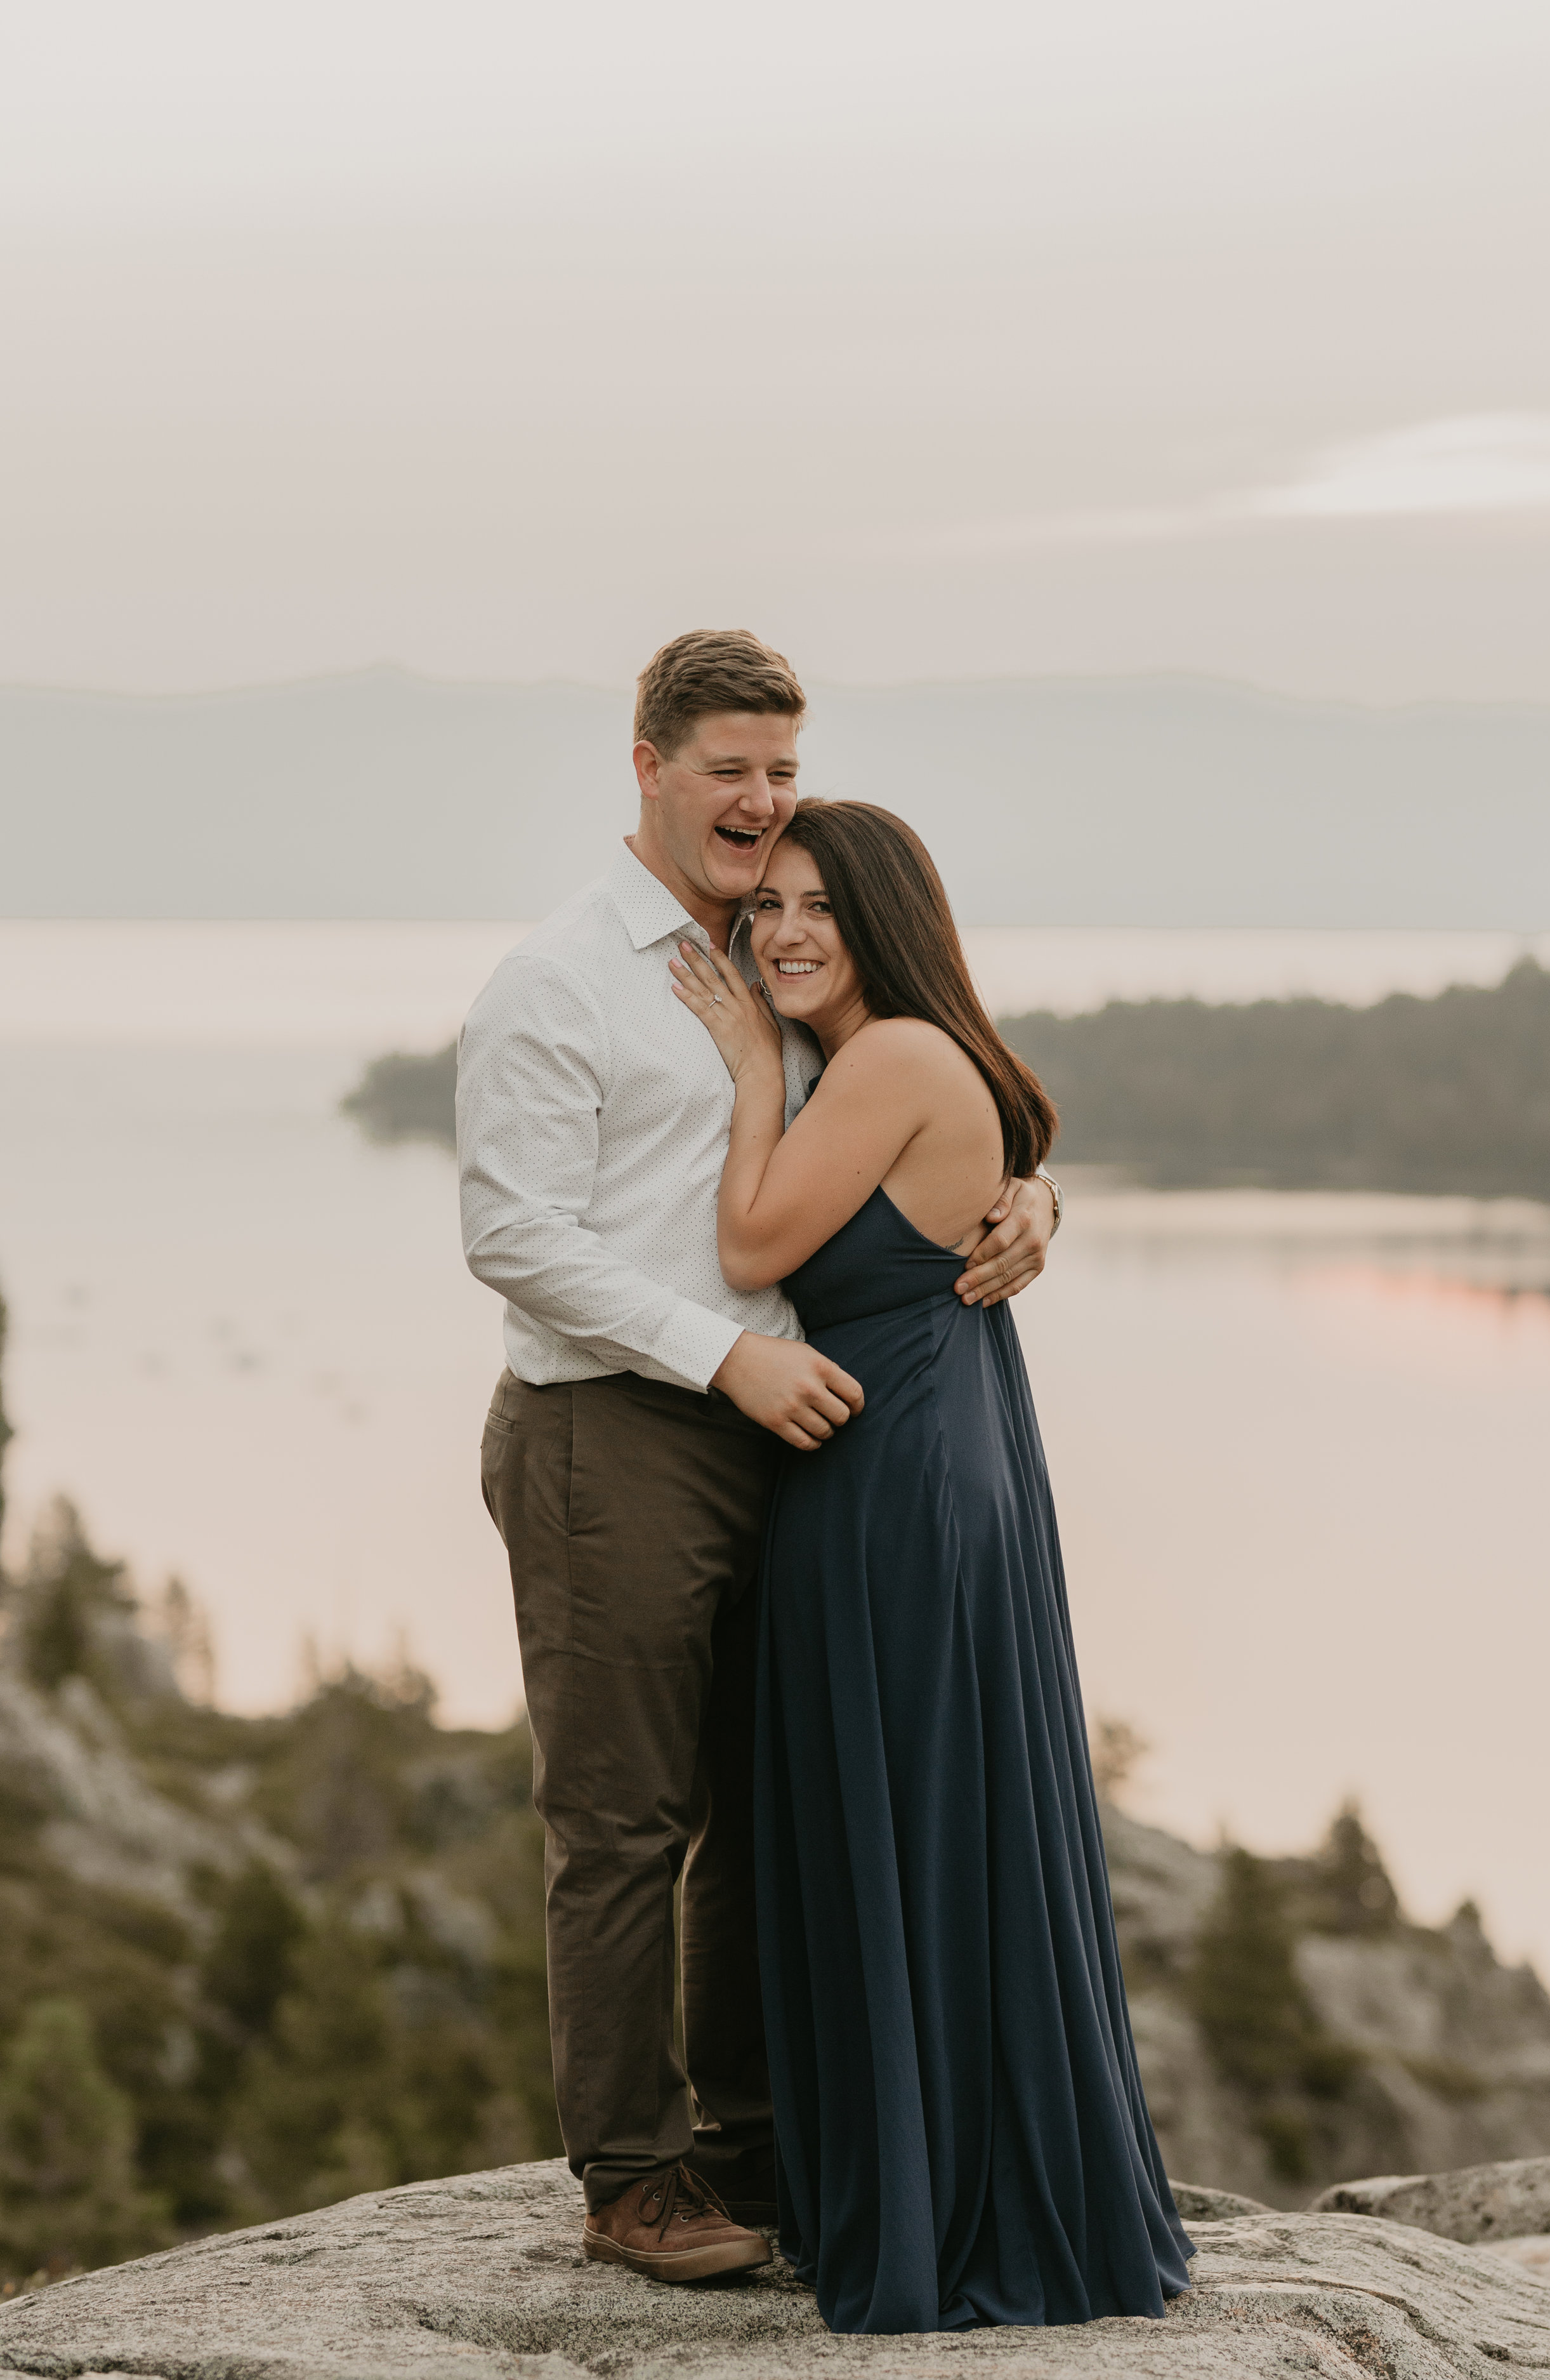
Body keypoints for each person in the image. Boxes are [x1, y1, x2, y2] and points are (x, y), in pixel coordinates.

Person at [456, 631, 1059, 2286]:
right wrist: (720, 1351)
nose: (759, 799)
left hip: (796, 1435)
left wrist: (1023, 1201)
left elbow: (921, 1112)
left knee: (763, 1802)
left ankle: (755, 2146)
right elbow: (508, 1230)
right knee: (623, 1819)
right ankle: (631, 2177)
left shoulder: (795, 952)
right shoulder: (560, 978)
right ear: (644, 766)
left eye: (780, 768)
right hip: (616, 1428)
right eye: (728, 766)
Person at [669, 798, 1192, 2333]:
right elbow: (995, 1159)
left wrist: (753, 1072)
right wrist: (1032, 1190)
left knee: (911, 1815)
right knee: (925, 1816)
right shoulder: (885, 1055)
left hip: (896, 1472)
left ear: (885, 917)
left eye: (817, 904)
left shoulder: (881, 1053)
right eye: (765, 904)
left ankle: (940, 2196)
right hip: (915, 1448)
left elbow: (757, 1242)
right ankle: (923, 2166)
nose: (782, 930)